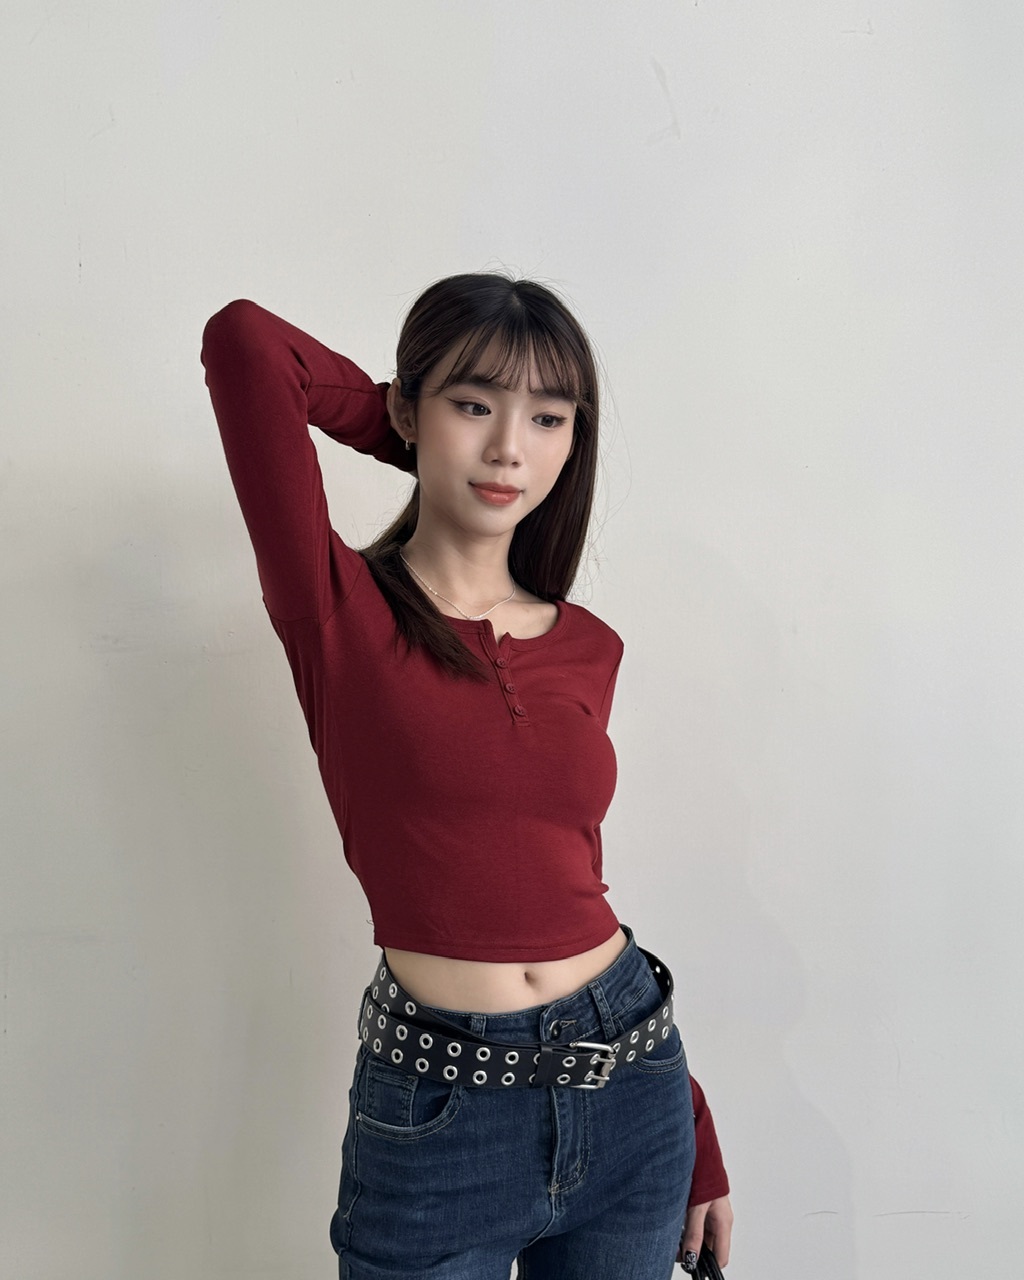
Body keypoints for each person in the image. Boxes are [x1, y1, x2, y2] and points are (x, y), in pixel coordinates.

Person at [201, 274, 734, 1279]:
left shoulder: (589, 645)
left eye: (547, 417)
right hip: (441, 1117)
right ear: (413, 410)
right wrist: (405, 426)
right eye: (474, 405)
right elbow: (246, 345)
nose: (509, 449)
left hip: (634, 1088)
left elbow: (568, 880)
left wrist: (692, 1118)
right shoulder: (337, 609)